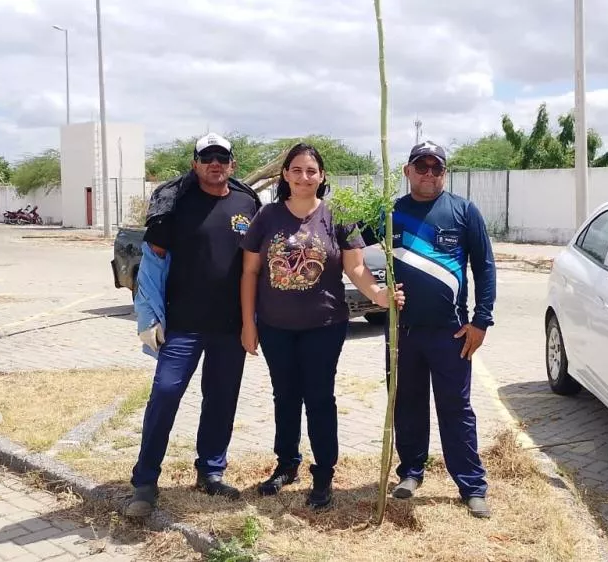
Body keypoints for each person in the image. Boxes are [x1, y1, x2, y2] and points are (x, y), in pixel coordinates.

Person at [239, 143, 403, 510]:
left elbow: (356, 267)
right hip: (275, 326)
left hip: (324, 325)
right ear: (285, 174)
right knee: (284, 396)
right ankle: (286, 464)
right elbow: (249, 272)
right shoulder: (267, 216)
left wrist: (378, 295)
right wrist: (248, 323)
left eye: (311, 171)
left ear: (322, 176)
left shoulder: (336, 216)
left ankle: (324, 471)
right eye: (296, 170)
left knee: (319, 397)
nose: (304, 177)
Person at [126, 133, 262, 517]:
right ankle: (145, 480)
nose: (215, 163)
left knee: (221, 399)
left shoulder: (247, 203)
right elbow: (152, 262)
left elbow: (257, 265)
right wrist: (147, 317)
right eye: (207, 157)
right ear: (195, 164)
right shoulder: (175, 203)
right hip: (183, 326)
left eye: (222, 157)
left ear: (232, 164)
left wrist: (253, 321)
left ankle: (211, 472)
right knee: (165, 393)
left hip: (229, 327)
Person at [369, 140, 497, 518]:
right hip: (402, 332)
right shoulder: (389, 213)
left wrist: (481, 321)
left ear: (444, 172)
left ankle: (471, 485)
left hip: (451, 333)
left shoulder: (463, 211)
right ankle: (411, 472)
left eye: (436, 168)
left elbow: (484, 267)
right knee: (406, 404)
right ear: (407, 171)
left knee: (456, 409)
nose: (428, 174)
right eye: (421, 167)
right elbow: (348, 243)